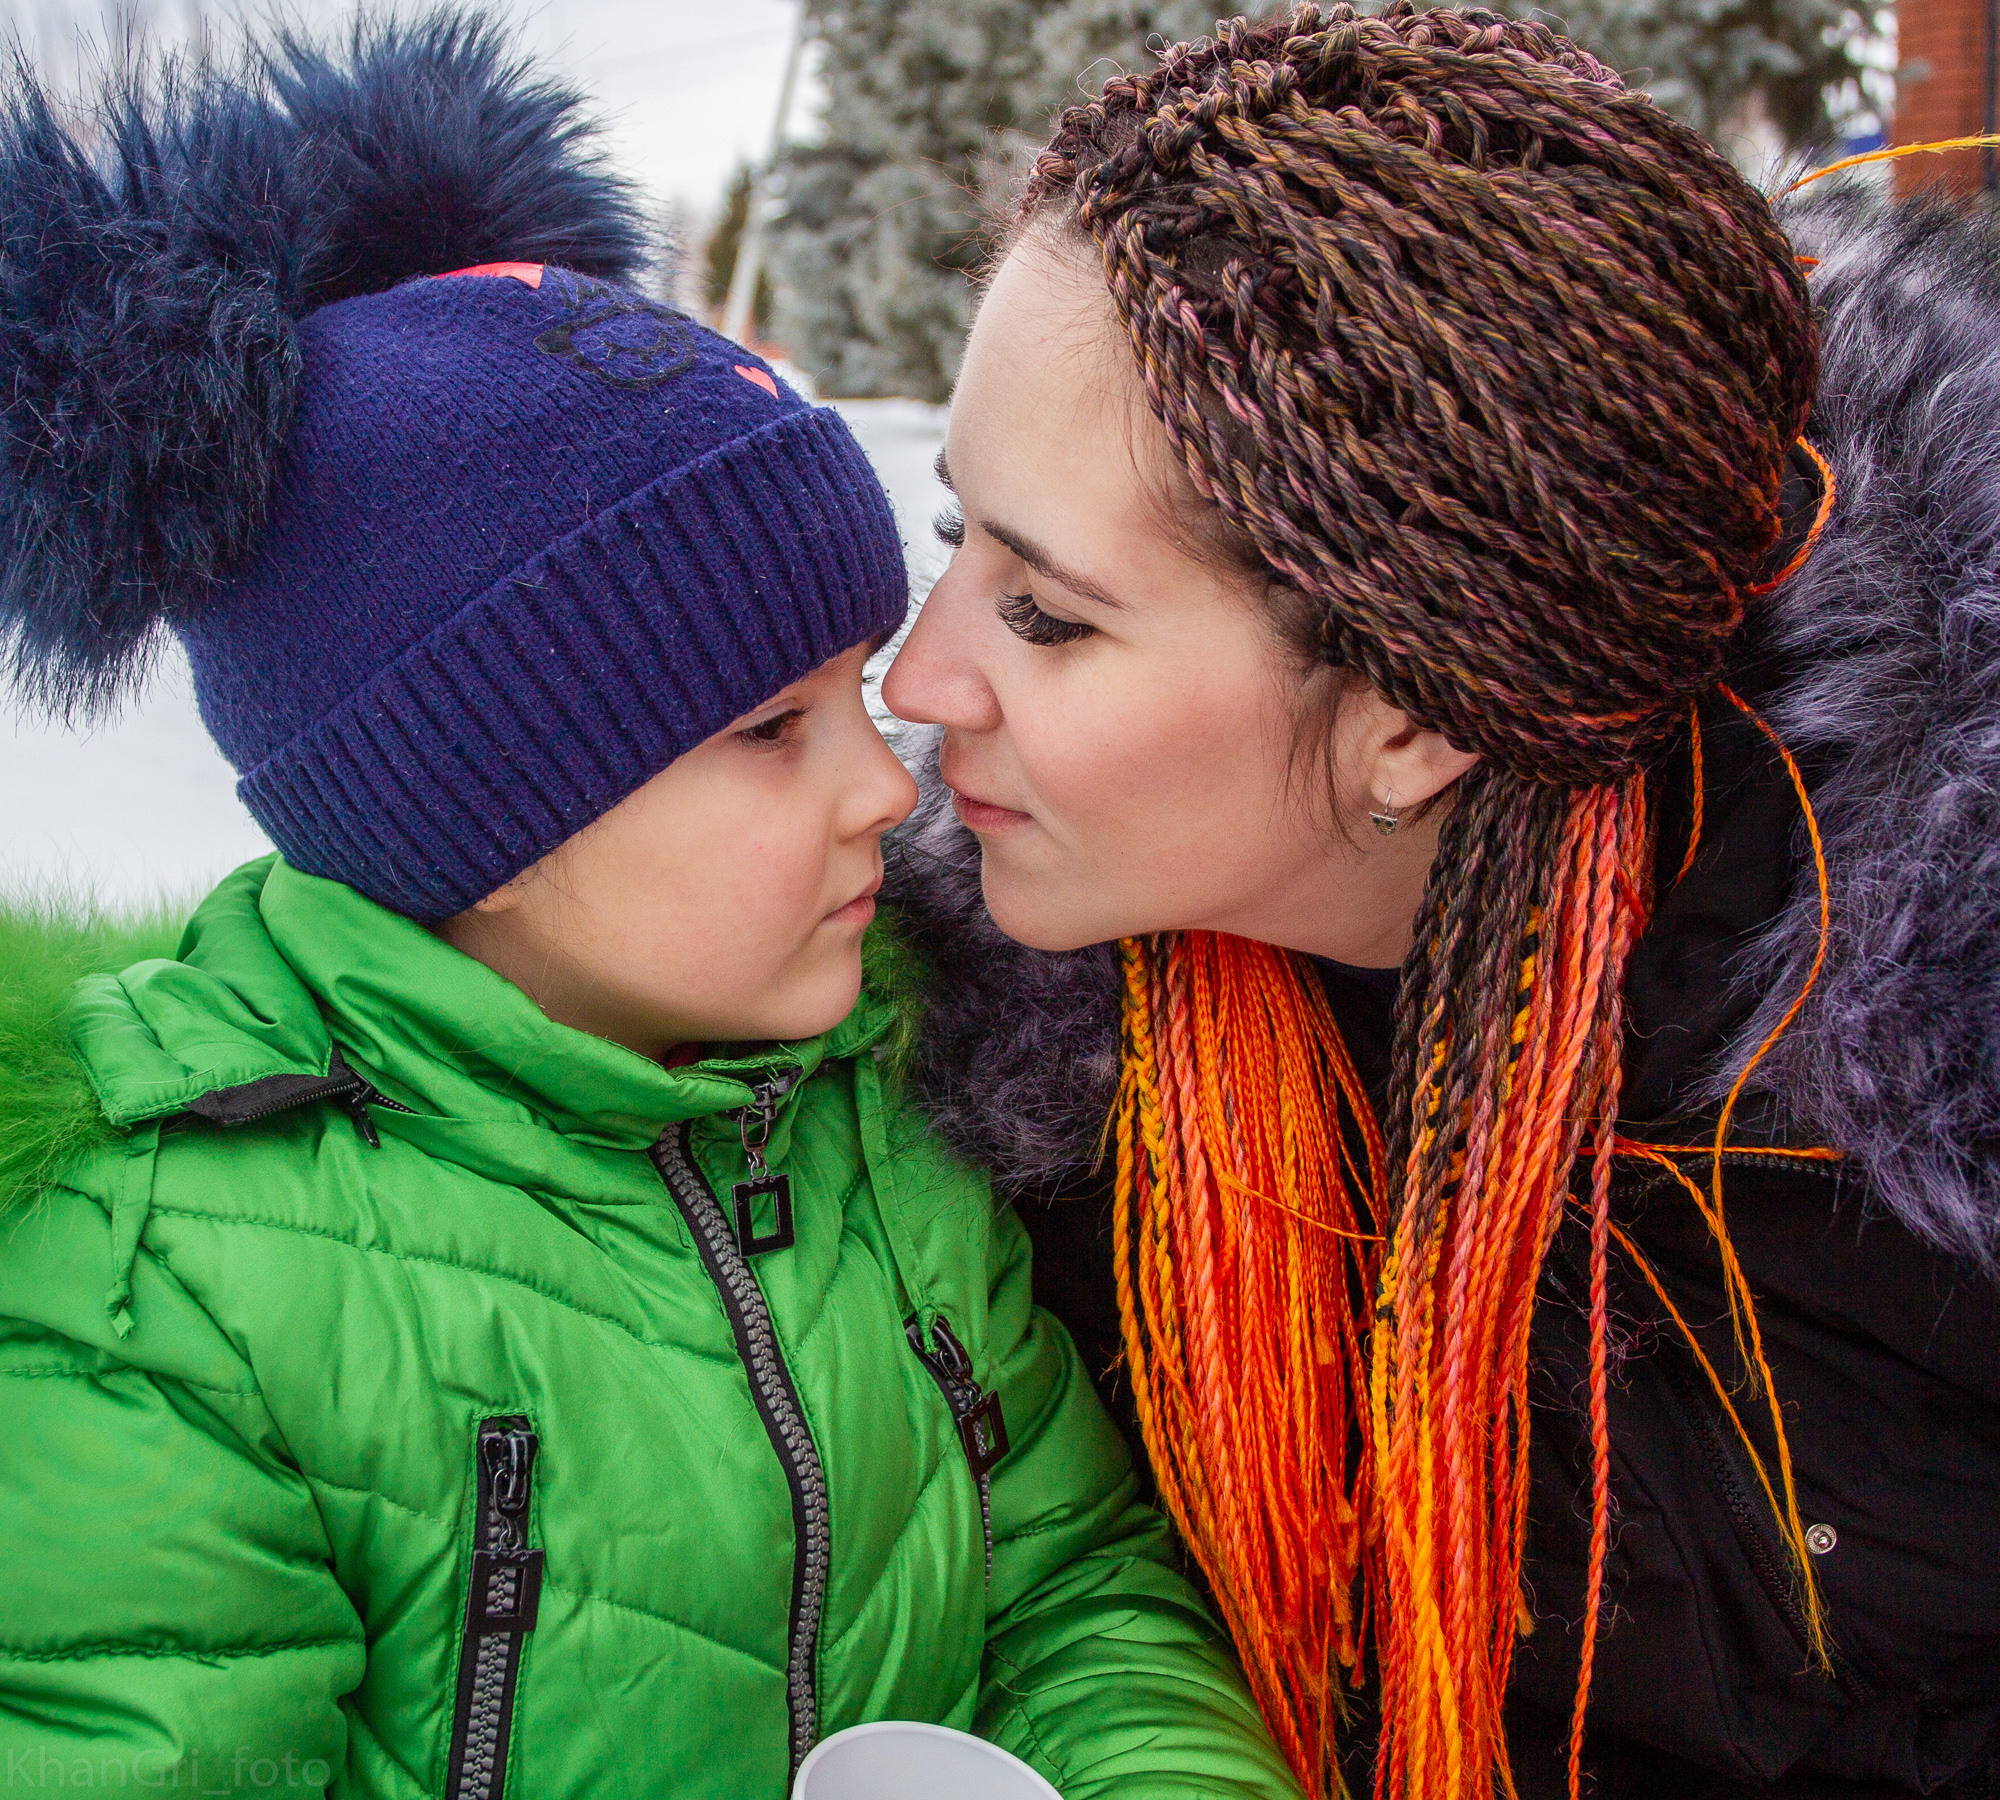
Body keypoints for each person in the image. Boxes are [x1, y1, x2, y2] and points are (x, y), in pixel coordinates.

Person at [0, 19, 1305, 1800]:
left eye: (857, 694)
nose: (882, 783)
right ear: (472, 803)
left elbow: (1071, 1588)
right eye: (772, 730)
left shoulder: (880, 1136)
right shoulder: (171, 1307)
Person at [877, 6, 2000, 1798]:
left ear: (1411, 716)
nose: (917, 685)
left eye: (1051, 613)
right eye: (960, 544)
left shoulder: (1912, 1128)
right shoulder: (1010, 1090)